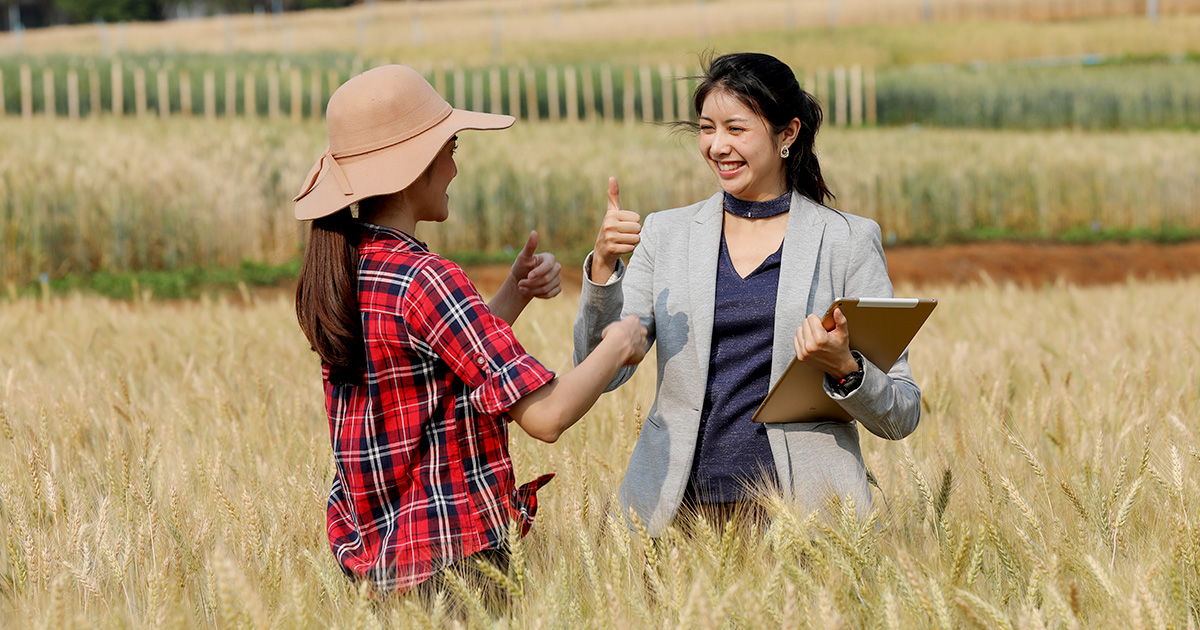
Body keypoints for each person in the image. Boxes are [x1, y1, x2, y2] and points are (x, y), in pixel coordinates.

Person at [293, 65, 647, 593]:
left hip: (382, 565)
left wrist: (513, 292)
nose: (455, 169)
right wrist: (618, 344)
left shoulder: (350, 267)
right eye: (451, 149)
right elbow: (546, 416)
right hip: (454, 566)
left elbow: (437, 368)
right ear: (415, 168)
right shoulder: (427, 278)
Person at [573, 52, 921, 536]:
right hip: (675, 517)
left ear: (787, 134)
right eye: (706, 128)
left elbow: (902, 414)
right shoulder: (666, 235)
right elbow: (600, 371)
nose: (717, 146)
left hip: (806, 523)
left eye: (736, 129)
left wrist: (845, 367)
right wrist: (604, 267)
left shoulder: (846, 241)